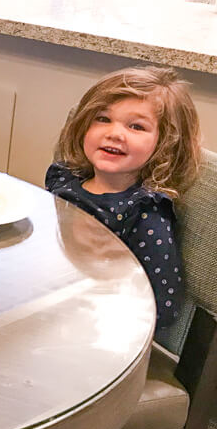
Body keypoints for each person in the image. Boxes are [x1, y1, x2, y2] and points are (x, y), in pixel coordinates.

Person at [45, 65, 202, 331]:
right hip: (49, 304)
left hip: (102, 328)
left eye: (136, 126)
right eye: (103, 119)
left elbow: (163, 308)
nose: (115, 133)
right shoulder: (64, 179)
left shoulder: (144, 214)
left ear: (164, 144)